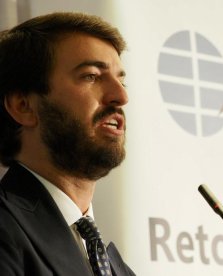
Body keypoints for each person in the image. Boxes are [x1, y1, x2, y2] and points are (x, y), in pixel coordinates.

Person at [0, 12, 135, 276]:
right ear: (23, 106)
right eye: (91, 76)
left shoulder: (118, 268)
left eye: (121, 80)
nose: (121, 96)